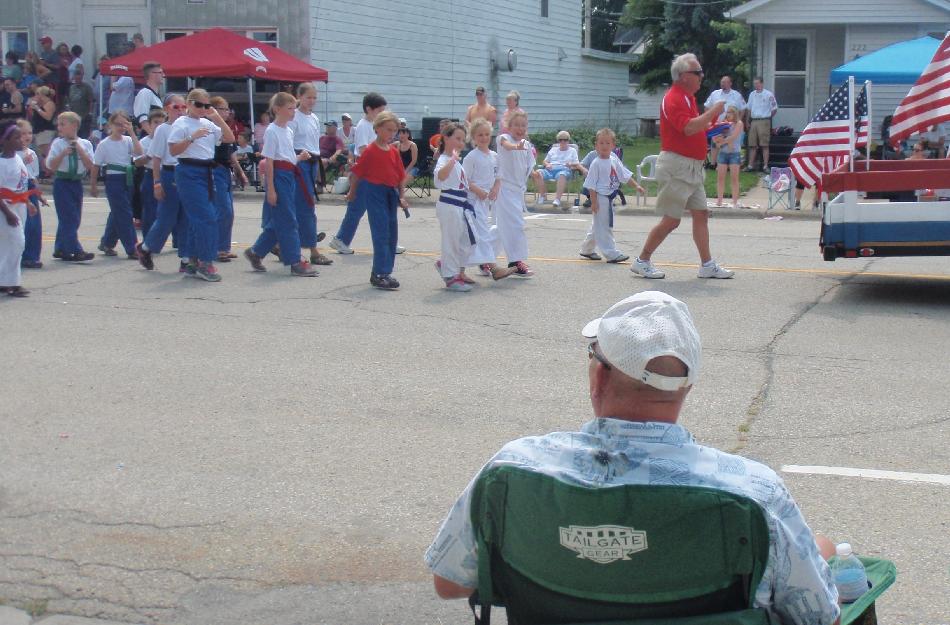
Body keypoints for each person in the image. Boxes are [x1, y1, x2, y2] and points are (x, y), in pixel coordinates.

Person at [425, 291, 841, 625]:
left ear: (599, 375)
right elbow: (821, 614)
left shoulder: (513, 469)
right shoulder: (751, 491)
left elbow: (450, 582)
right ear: (686, 388)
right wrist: (817, 552)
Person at [631, 53, 734, 281]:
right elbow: (687, 128)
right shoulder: (674, 98)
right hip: (677, 166)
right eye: (697, 72)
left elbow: (695, 130)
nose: (701, 76)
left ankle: (707, 265)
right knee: (672, 219)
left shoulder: (688, 99)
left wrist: (715, 129)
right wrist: (713, 113)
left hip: (692, 168)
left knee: (701, 213)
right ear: (682, 76)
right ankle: (642, 260)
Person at [243, 92, 320, 278]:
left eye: (294, 108)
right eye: (290, 108)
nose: (293, 112)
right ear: (278, 109)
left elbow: (287, 157)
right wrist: (270, 189)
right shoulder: (272, 131)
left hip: (289, 175)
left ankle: (256, 251)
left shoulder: (288, 130)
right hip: (278, 176)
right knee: (289, 220)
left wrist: (299, 157)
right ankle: (294, 261)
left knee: (280, 220)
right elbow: (269, 161)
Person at [165, 88, 234, 282]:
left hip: (207, 171)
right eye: (198, 104)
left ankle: (192, 260)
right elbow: (173, 150)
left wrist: (216, 118)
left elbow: (229, 139)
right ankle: (205, 261)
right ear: (189, 104)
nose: (203, 108)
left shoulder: (208, 123)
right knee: (206, 217)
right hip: (189, 170)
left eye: (206, 105)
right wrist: (191, 137)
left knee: (202, 217)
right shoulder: (181, 123)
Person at [345, 111, 408, 290]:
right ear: (378, 128)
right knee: (381, 232)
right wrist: (352, 192)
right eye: (388, 130)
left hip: (390, 193)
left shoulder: (393, 151)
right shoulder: (371, 151)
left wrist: (402, 196)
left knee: (391, 232)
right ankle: (379, 272)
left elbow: (400, 175)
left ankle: (385, 271)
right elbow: (358, 173)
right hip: (375, 193)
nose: (391, 134)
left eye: (394, 131)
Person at [329, 91, 387, 255]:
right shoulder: (363, 126)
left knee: (380, 209)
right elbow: (361, 149)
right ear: (369, 109)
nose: (382, 114)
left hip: (374, 172)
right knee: (356, 208)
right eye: (379, 111)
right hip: (365, 172)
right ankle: (341, 239)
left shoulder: (374, 126)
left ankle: (386, 241)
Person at [136, 93, 190, 273]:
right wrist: (157, 182)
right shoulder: (163, 129)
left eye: (183, 107)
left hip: (186, 173)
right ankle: (146, 248)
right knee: (167, 217)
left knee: (186, 218)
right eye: (176, 107)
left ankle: (186, 258)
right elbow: (156, 158)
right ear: (167, 108)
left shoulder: (188, 126)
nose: (180, 111)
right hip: (169, 173)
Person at [579, 128, 643, 264]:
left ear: (613, 145)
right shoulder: (596, 163)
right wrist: (594, 202)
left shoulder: (614, 159)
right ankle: (611, 253)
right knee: (605, 226)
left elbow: (624, 174)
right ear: (596, 145)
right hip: (601, 197)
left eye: (608, 143)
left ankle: (587, 249)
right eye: (601, 143)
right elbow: (591, 185)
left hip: (610, 196)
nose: (604, 146)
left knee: (597, 225)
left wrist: (636, 185)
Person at [462, 118, 514, 280]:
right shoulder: (471, 157)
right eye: (479, 135)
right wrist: (478, 190)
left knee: (473, 238)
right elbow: (464, 179)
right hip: (473, 202)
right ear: (473, 137)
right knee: (482, 234)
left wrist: (495, 189)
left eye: (486, 134)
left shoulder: (494, 156)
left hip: (486, 202)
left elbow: (499, 176)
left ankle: (454, 266)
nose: (483, 138)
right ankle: (493, 267)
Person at [288, 82, 331, 266]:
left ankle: (281, 243)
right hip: (301, 162)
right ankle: (312, 249)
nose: (312, 101)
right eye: (308, 97)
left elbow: (314, 143)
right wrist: (298, 158)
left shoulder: (313, 117)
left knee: (305, 205)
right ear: (299, 97)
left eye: (314, 97)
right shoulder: (294, 117)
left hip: (313, 161)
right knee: (305, 205)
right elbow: (289, 142)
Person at [90, 112, 142, 259]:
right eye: (118, 124)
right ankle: (132, 247)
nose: (121, 127)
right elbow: (95, 166)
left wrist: (132, 132)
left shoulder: (127, 140)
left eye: (124, 124)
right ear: (111, 125)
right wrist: (93, 185)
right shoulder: (104, 144)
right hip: (113, 179)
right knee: (125, 214)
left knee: (118, 212)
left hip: (128, 178)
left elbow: (139, 151)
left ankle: (107, 242)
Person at [45, 111, 96, 262]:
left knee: (74, 217)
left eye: (63, 124)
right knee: (69, 218)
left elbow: (90, 165)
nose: (59, 127)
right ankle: (76, 250)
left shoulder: (85, 144)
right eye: (58, 124)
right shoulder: (57, 143)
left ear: (74, 125)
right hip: (62, 183)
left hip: (76, 183)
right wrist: (62, 154)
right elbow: (50, 166)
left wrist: (79, 149)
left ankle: (61, 248)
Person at [433, 122, 478, 292]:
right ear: (445, 138)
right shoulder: (445, 159)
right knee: (451, 241)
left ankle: (446, 265)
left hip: (461, 206)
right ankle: (450, 277)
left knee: (466, 241)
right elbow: (440, 177)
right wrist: (452, 160)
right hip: (449, 204)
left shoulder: (458, 162)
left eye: (462, 140)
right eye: (457, 138)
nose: (460, 143)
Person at [495, 110, 535, 278]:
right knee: (516, 225)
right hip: (505, 190)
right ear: (508, 127)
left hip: (517, 193)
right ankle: (516, 261)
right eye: (516, 125)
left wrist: (535, 174)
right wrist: (515, 146)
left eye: (523, 125)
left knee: (502, 228)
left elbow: (528, 165)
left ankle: (485, 259)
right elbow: (507, 146)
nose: (520, 128)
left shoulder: (526, 144)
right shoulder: (503, 139)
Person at [209, 96, 246, 263]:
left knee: (229, 211)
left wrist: (240, 172)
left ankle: (223, 247)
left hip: (225, 170)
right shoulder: (210, 128)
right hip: (214, 169)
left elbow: (232, 153)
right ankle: (216, 248)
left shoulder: (226, 128)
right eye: (224, 109)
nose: (228, 112)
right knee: (223, 210)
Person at [0, 120, 32, 297]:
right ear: (4, 140)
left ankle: (6, 281)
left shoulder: (18, 158)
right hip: (6, 209)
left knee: (9, 245)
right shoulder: (1, 164)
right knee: (17, 243)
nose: (21, 140)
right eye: (16, 137)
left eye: (21, 136)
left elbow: (22, 185)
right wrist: (8, 213)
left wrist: (29, 202)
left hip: (20, 206)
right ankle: (11, 283)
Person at [16, 119, 45, 270]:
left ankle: (32, 256)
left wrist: (39, 194)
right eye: (22, 134)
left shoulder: (32, 153)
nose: (26, 136)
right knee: (23, 225)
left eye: (29, 133)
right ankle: (20, 256)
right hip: (18, 190)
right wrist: (22, 160)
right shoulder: (11, 153)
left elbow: (33, 176)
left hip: (31, 188)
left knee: (35, 226)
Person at [136, 109, 166, 241]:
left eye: (161, 122)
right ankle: (148, 240)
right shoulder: (145, 142)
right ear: (149, 124)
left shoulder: (169, 139)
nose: (158, 126)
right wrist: (148, 156)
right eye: (155, 122)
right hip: (150, 175)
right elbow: (137, 162)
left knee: (172, 209)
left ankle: (178, 240)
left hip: (167, 173)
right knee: (150, 209)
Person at [704, 75, 746, 164]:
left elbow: (743, 109)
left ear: (730, 83)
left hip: (731, 124)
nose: (723, 84)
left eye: (725, 82)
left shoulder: (736, 95)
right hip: (717, 123)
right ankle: (713, 163)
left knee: (729, 142)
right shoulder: (715, 94)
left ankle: (728, 163)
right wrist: (710, 119)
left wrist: (738, 121)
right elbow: (707, 106)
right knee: (715, 143)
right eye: (722, 82)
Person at [538, 130, 582, 210]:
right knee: (538, 172)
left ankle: (557, 199)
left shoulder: (572, 151)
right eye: (561, 140)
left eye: (565, 140)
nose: (563, 142)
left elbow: (577, 164)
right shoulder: (553, 150)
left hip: (564, 169)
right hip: (551, 169)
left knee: (562, 175)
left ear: (568, 140)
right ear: (558, 141)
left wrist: (570, 164)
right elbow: (544, 161)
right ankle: (542, 196)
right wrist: (547, 164)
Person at [714, 106, 744, 208]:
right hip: (723, 153)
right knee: (720, 178)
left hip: (734, 153)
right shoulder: (723, 124)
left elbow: (733, 137)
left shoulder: (739, 124)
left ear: (735, 114)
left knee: (734, 178)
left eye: (730, 113)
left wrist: (722, 141)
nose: (728, 115)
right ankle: (719, 201)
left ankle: (735, 201)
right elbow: (715, 137)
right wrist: (720, 140)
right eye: (727, 113)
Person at [745, 77, 777, 172]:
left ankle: (765, 166)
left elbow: (774, 108)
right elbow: (749, 108)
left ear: (762, 84)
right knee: (752, 144)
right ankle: (750, 165)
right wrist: (747, 121)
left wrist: (767, 118)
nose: (756, 85)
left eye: (758, 83)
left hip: (764, 120)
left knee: (764, 144)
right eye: (755, 84)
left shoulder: (768, 94)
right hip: (754, 121)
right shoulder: (752, 94)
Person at [26, 85, 56, 172]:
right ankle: (44, 171)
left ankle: (50, 171)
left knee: (46, 153)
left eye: (38, 94)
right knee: (40, 153)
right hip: (38, 130)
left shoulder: (50, 103)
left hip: (46, 131)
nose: (36, 96)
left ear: (42, 95)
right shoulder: (39, 104)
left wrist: (37, 108)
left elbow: (48, 117)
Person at [133, 61, 164, 128]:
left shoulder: (154, 94)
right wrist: (153, 136)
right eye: (160, 73)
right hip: (148, 136)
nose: (163, 75)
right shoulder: (145, 93)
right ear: (151, 74)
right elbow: (142, 119)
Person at [66, 66, 95, 138]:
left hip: (84, 117)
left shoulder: (87, 87)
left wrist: (90, 113)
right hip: (73, 117)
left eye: (79, 77)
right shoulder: (71, 87)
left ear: (82, 77)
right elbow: (69, 100)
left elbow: (91, 101)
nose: (77, 79)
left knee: (84, 137)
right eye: (76, 77)